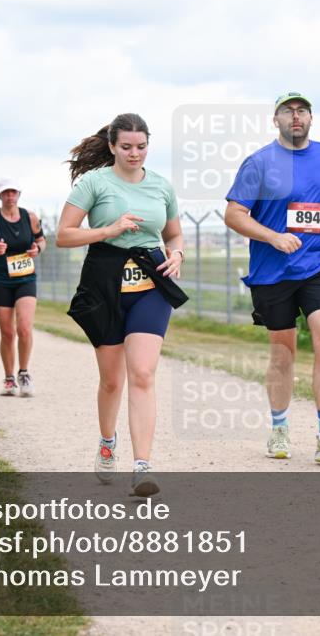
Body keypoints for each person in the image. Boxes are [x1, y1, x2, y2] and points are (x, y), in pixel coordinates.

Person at [58, 113, 187, 497]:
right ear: (113, 146)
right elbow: (63, 235)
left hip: (151, 278)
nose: (135, 153)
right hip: (105, 279)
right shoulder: (94, 183)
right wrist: (109, 230)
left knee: (143, 373)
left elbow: (174, 234)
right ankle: (107, 441)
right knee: (113, 380)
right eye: (127, 147)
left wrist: (177, 254)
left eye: (142, 146)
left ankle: (142, 465)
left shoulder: (162, 187)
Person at [224, 92, 320, 465]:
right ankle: (279, 429)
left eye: (302, 111)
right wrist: (272, 236)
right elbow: (234, 214)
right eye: (288, 111)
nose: (295, 117)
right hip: (273, 270)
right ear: (276, 120)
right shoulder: (260, 163)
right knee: (283, 353)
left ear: (311, 118)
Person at [0, 179, 47, 396]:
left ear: (19, 194)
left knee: (24, 328)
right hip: (1, 280)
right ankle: (9, 378)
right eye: (5, 193)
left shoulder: (30, 217)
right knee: (7, 332)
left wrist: (37, 250)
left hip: (25, 278)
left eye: (13, 192)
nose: (9, 196)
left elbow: (41, 240)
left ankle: (24, 373)